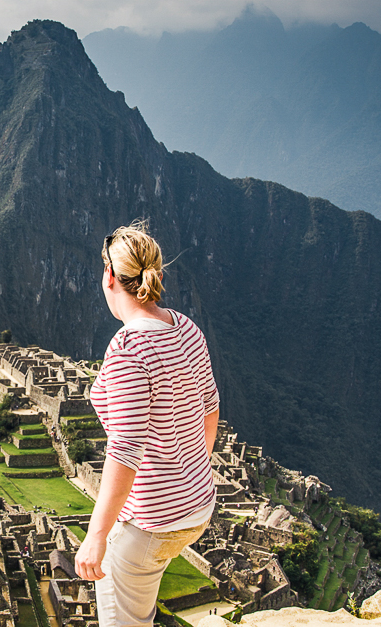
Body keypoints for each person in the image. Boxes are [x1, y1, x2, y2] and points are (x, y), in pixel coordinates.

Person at [75, 220, 220, 627]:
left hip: (152, 521)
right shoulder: (186, 328)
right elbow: (210, 410)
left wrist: (96, 536)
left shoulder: (129, 348)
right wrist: (188, 474)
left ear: (109, 275)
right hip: (197, 506)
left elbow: (125, 450)